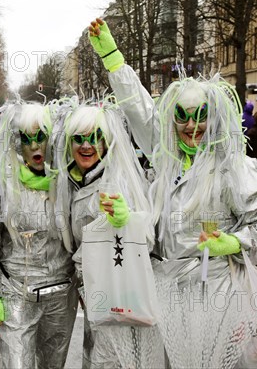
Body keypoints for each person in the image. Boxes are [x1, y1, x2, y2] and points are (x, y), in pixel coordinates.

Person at [88, 18, 257, 367]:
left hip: (217, 291)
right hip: (166, 291)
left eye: (200, 117)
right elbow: (139, 109)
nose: (191, 127)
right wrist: (113, 58)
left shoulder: (233, 166)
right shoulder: (166, 158)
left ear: (214, 117)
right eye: (182, 117)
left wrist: (235, 242)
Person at [52, 102, 163, 368]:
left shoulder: (119, 181)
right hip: (93, 293)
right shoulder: (72, 181)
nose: (86, 146)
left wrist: (128, 220)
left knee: (114, 360)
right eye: (78, 139)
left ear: (107, 141)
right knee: (98, 355)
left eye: (94, 138)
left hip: (121, 294)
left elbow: (147, 239)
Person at [0, 103, 78, 369]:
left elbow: (84, 240)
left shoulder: (69, 183)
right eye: (26, 138)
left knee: (53, 365)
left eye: (40, 136)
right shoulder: (3, 184)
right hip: (16, 294)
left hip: (60, 295)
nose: (34, 146)